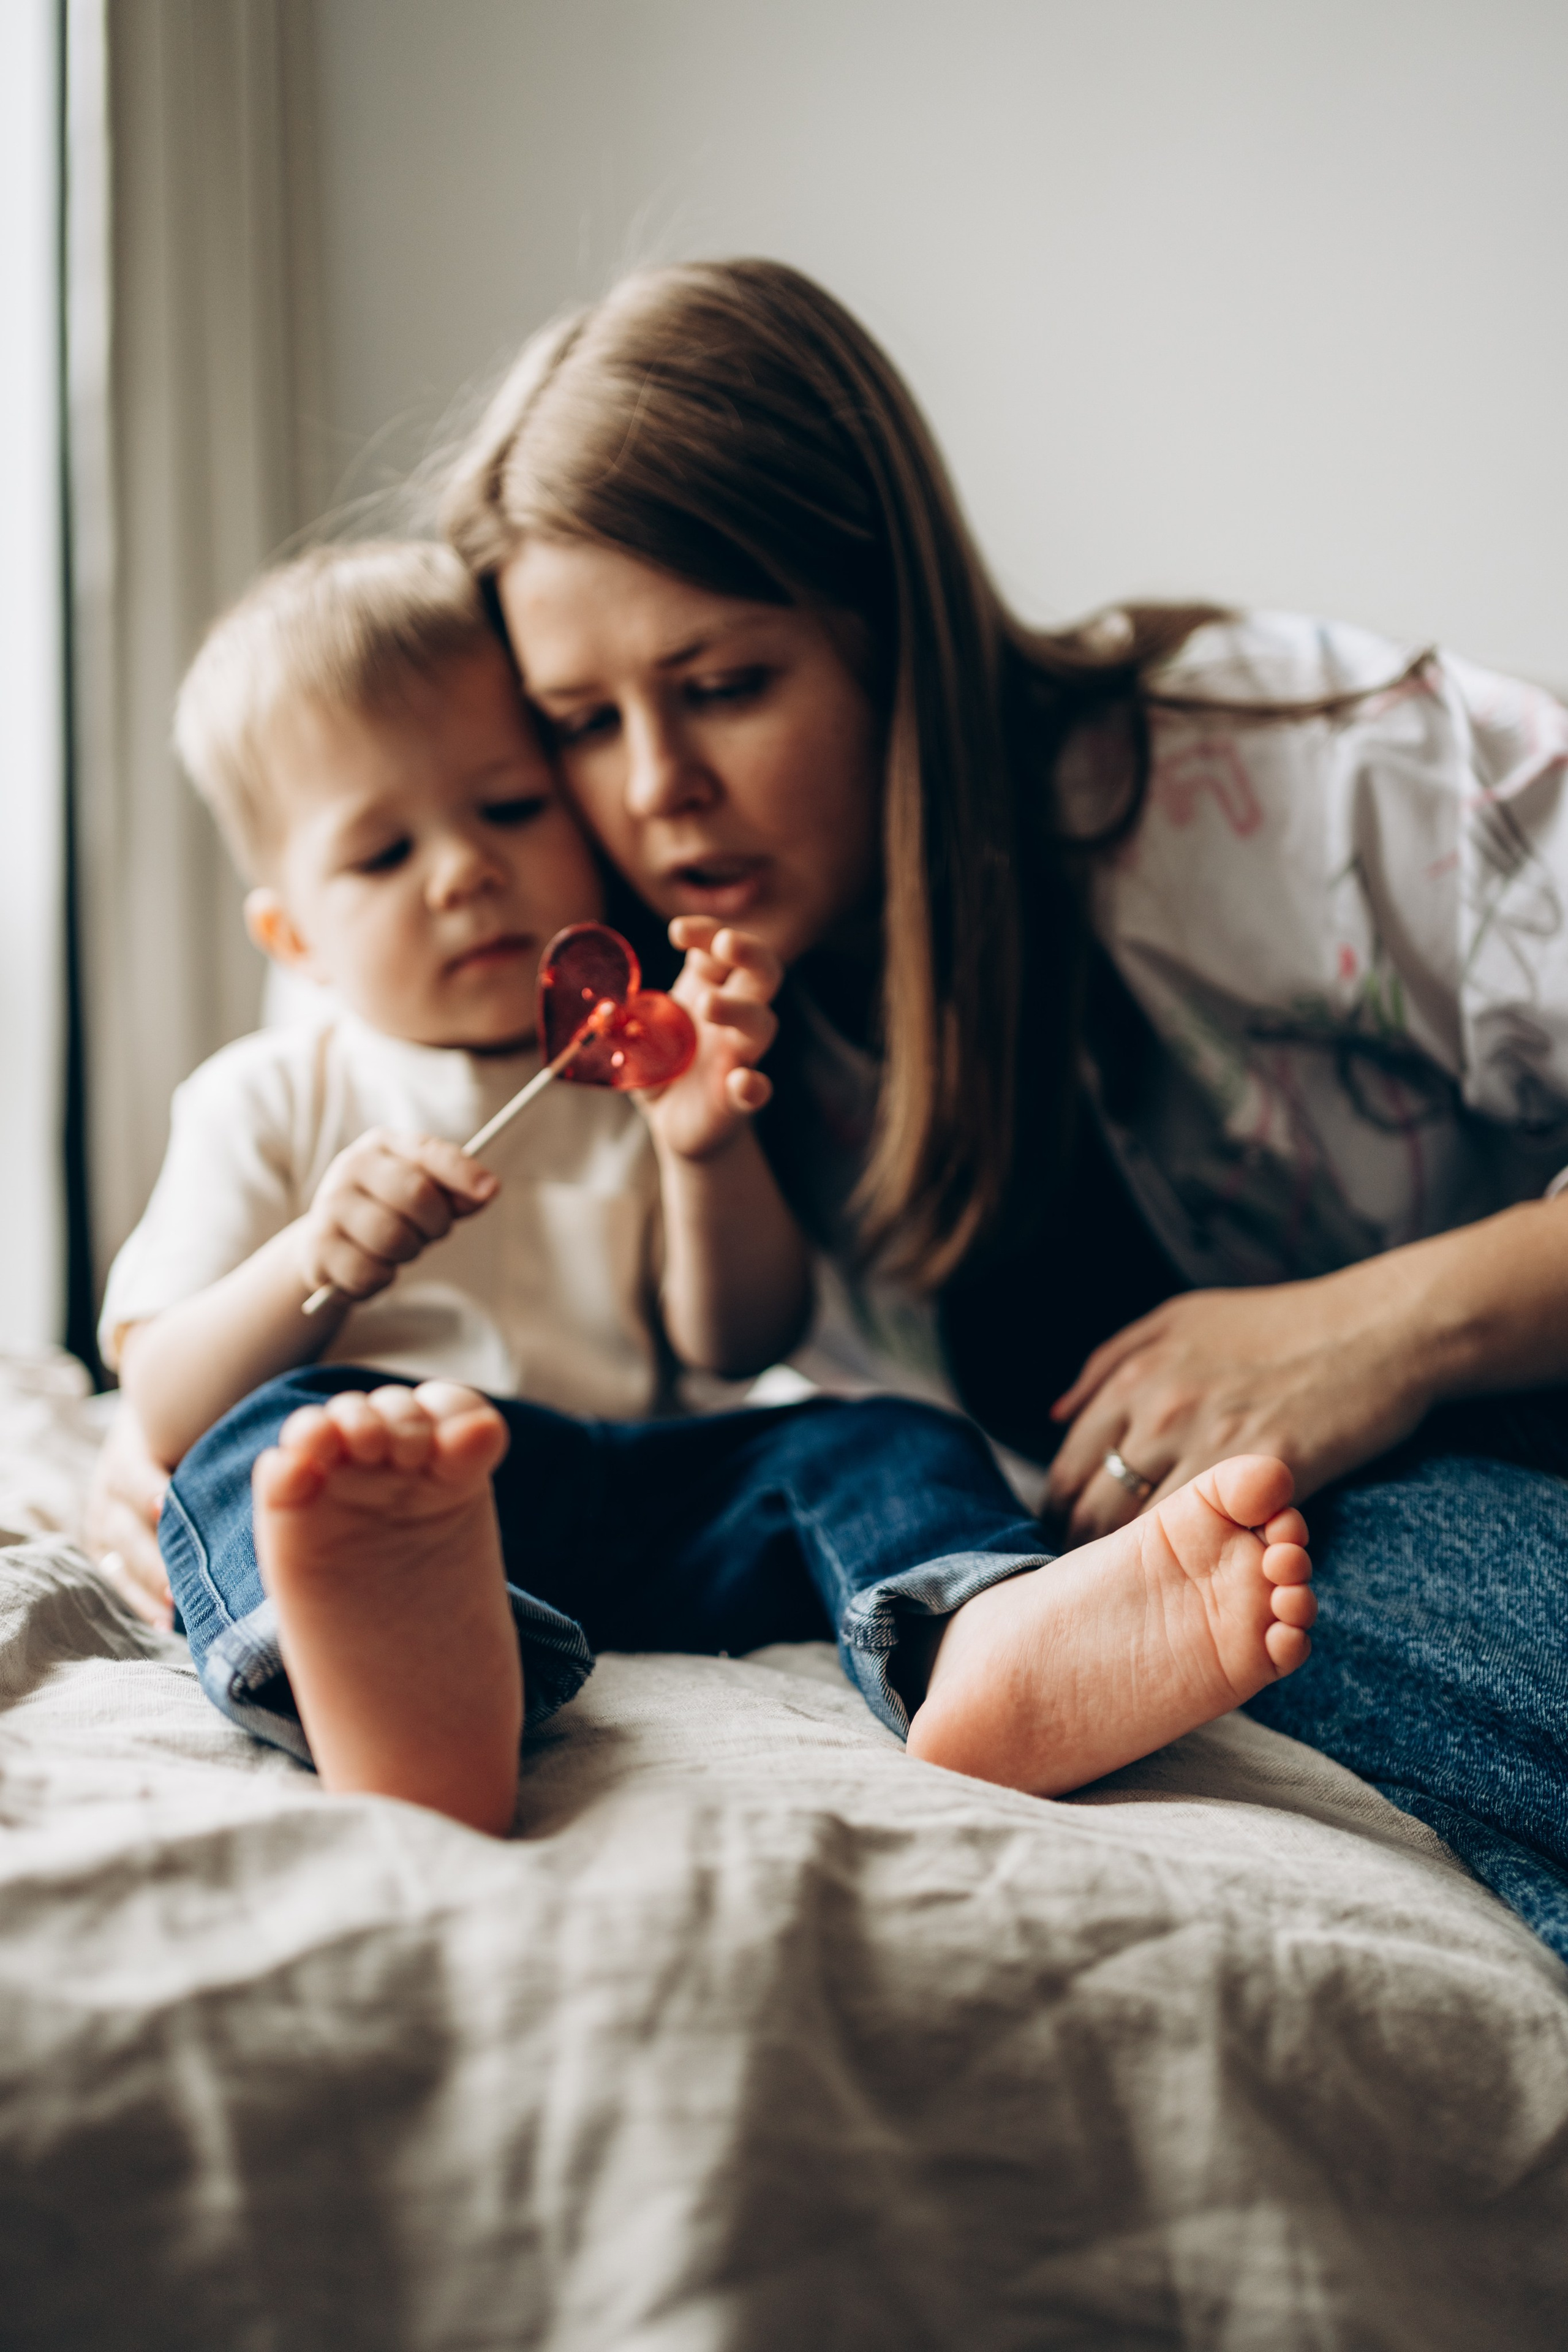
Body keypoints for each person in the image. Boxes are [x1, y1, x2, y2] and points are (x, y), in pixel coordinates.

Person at [424, 258, 1568, 1950]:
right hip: (1223, 1571)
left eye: (727, 684)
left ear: (896, 622)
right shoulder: (669, 1020)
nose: (659, 790)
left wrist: (1378, 1333)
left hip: (1489, 1428)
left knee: (1350, 1562)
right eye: (585, 723)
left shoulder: (1288, 771)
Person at [107, 536, 1316, 1835]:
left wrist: (700, 1148)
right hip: (407, 1488)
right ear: (292, 929)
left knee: (875, 1433)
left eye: (508, 810)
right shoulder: (270, 1095)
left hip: (639, 1494)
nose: (462, 873)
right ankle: (410, 1673)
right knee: (261, 1459)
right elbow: (167, 1397)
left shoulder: (636, 1060)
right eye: (382, 856)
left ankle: (976, 1639)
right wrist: (315, 1264)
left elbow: (738, 1338)